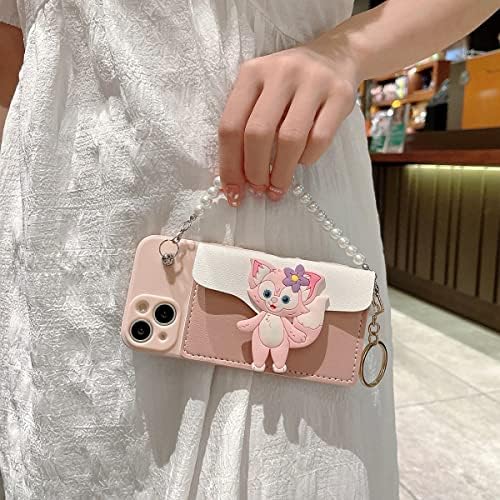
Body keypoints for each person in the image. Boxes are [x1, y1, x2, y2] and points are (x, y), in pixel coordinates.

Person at [0, 0, 498, 498]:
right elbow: (13, 61)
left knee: (284, 460)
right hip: (60, 219)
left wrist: (350, 51)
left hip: (281, 163)